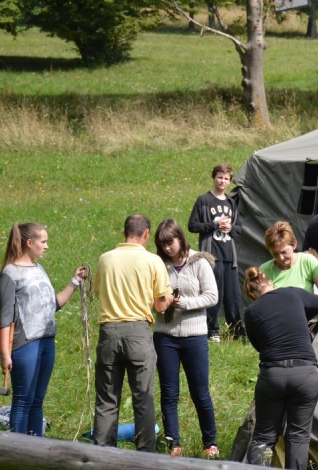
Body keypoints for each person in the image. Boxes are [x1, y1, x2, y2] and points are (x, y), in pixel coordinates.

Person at [0, 222, 86, 436]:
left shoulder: (39, 268)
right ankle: (16, 450)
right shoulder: (10, 273)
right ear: (29, 242)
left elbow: (52, 305)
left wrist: (74, 282)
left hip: (47, 341)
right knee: (23, 400)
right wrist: (5, 354)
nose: (46, 246)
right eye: (43, 242)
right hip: (26, 344)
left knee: (37, 400)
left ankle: (36, 448)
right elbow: (5, 318)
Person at [93, 214, 172, 453]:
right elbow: (160, 305)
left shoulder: (105, 259)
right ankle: (145, 457)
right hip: (138, 332)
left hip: (108, 332)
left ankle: (101, 455)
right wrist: (169, 299)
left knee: (106, 401)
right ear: (146, 233)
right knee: (143, 399)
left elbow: (98, 291)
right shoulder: (153, 261)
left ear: (124, 232)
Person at [243, 267, 318, 470]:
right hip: (305, 373)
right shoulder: (292, 293)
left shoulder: (251, 311)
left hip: (273, 374)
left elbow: (259, 345)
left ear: (252, 295)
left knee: (264, 436)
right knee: (298, 436)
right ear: (270, 282)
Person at [153, 219, 220, 458]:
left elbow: (212, 296)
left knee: (200, 392)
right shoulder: (158, 264)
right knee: (169, 393)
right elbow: (150, 298)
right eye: (162, 244)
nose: (167, 248)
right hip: (165, 337)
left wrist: (185, 303)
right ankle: (173, 444)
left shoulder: (199, 262)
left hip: (195, 337)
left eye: (170, 242)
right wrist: (162, 304)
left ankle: (210, 443)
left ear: (180, 238)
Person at [188, 163, 244, 342]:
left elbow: (239, 228)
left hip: (230, 256)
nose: (222, 181)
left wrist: (230, 228)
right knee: (213, 293)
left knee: (233, 295)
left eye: (226, 178)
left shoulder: (230, 202)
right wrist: (214, 225)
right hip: (212, 256)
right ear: (213, 178)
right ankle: (212, 331)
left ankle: (236, 331)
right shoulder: (204, 200)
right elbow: (192, 225)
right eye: (220, 177)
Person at [259, 221, 318, 296]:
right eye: (275, 253)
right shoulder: (263, 271)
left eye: (284, 252)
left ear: (294, 245)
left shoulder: (308, 261)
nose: (281, 258)